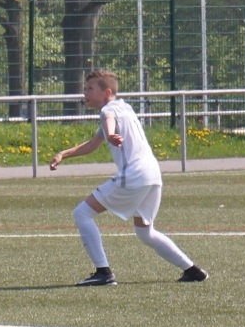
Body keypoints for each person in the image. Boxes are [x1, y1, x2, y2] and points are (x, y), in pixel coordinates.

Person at [49, 70, 208, 286]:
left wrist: (111, 132)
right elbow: (94, 144)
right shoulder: (125, 107)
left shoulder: (110, 109)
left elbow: (108, 119)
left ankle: (103, 273)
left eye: (89, 89)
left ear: (106, 92)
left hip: (133, 174)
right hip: (152, 174)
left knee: (82, 213)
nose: (84, 93)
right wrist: (63, 154)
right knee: (145, 232)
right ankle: (192, 270)